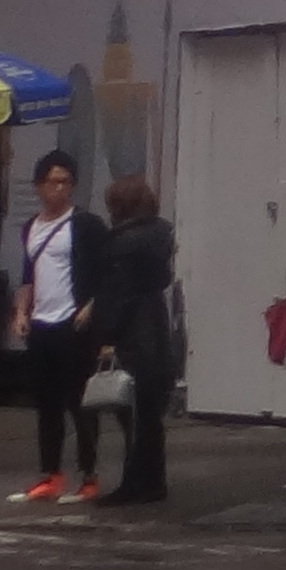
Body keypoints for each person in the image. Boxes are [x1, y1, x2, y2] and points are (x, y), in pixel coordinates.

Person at [8, 151, 115, 504]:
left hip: (73, 323)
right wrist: (21, 312)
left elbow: (106, 273)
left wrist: (91, 307)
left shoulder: (84, 225)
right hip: (42, 324)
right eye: (53, 181)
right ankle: (49, 474)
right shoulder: (30, 227)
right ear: (39, 186)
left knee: (79, 402)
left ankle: (88, 476)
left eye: (66, 182)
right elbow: (28, 275)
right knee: (46, 403)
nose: (60, 188)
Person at [91, 176, 180, 507]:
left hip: (132, 336)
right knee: (149, 415)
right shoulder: (159, 236)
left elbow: (117, 295)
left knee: (132, 413)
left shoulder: (122, 245)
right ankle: (153, 480)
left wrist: (107, 335)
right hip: (155, 328)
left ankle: (136, 482)